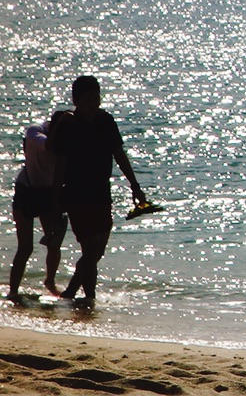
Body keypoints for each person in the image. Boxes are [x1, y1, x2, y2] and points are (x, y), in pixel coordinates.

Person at [47, 75, 148, 304]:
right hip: (76, 194)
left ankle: (73, 294)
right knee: (90, 249)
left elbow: (119, 155)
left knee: (97, 250)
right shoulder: (68, 126)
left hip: (102, 192)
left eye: (97, 97)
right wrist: (55, 203)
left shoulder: (106, 121)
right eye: (89, 99)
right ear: (76, 100)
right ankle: (86, 296)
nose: (94, 103)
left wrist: (135, 186)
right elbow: (60, 167)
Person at [9, 118, 67, 304]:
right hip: (27, 189)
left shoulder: (68, 139)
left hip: (50, 191)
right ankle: (13, 291)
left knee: (54, 242)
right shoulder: (35, 131)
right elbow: (47, 145)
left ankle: (50, 281)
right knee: (25, 247)